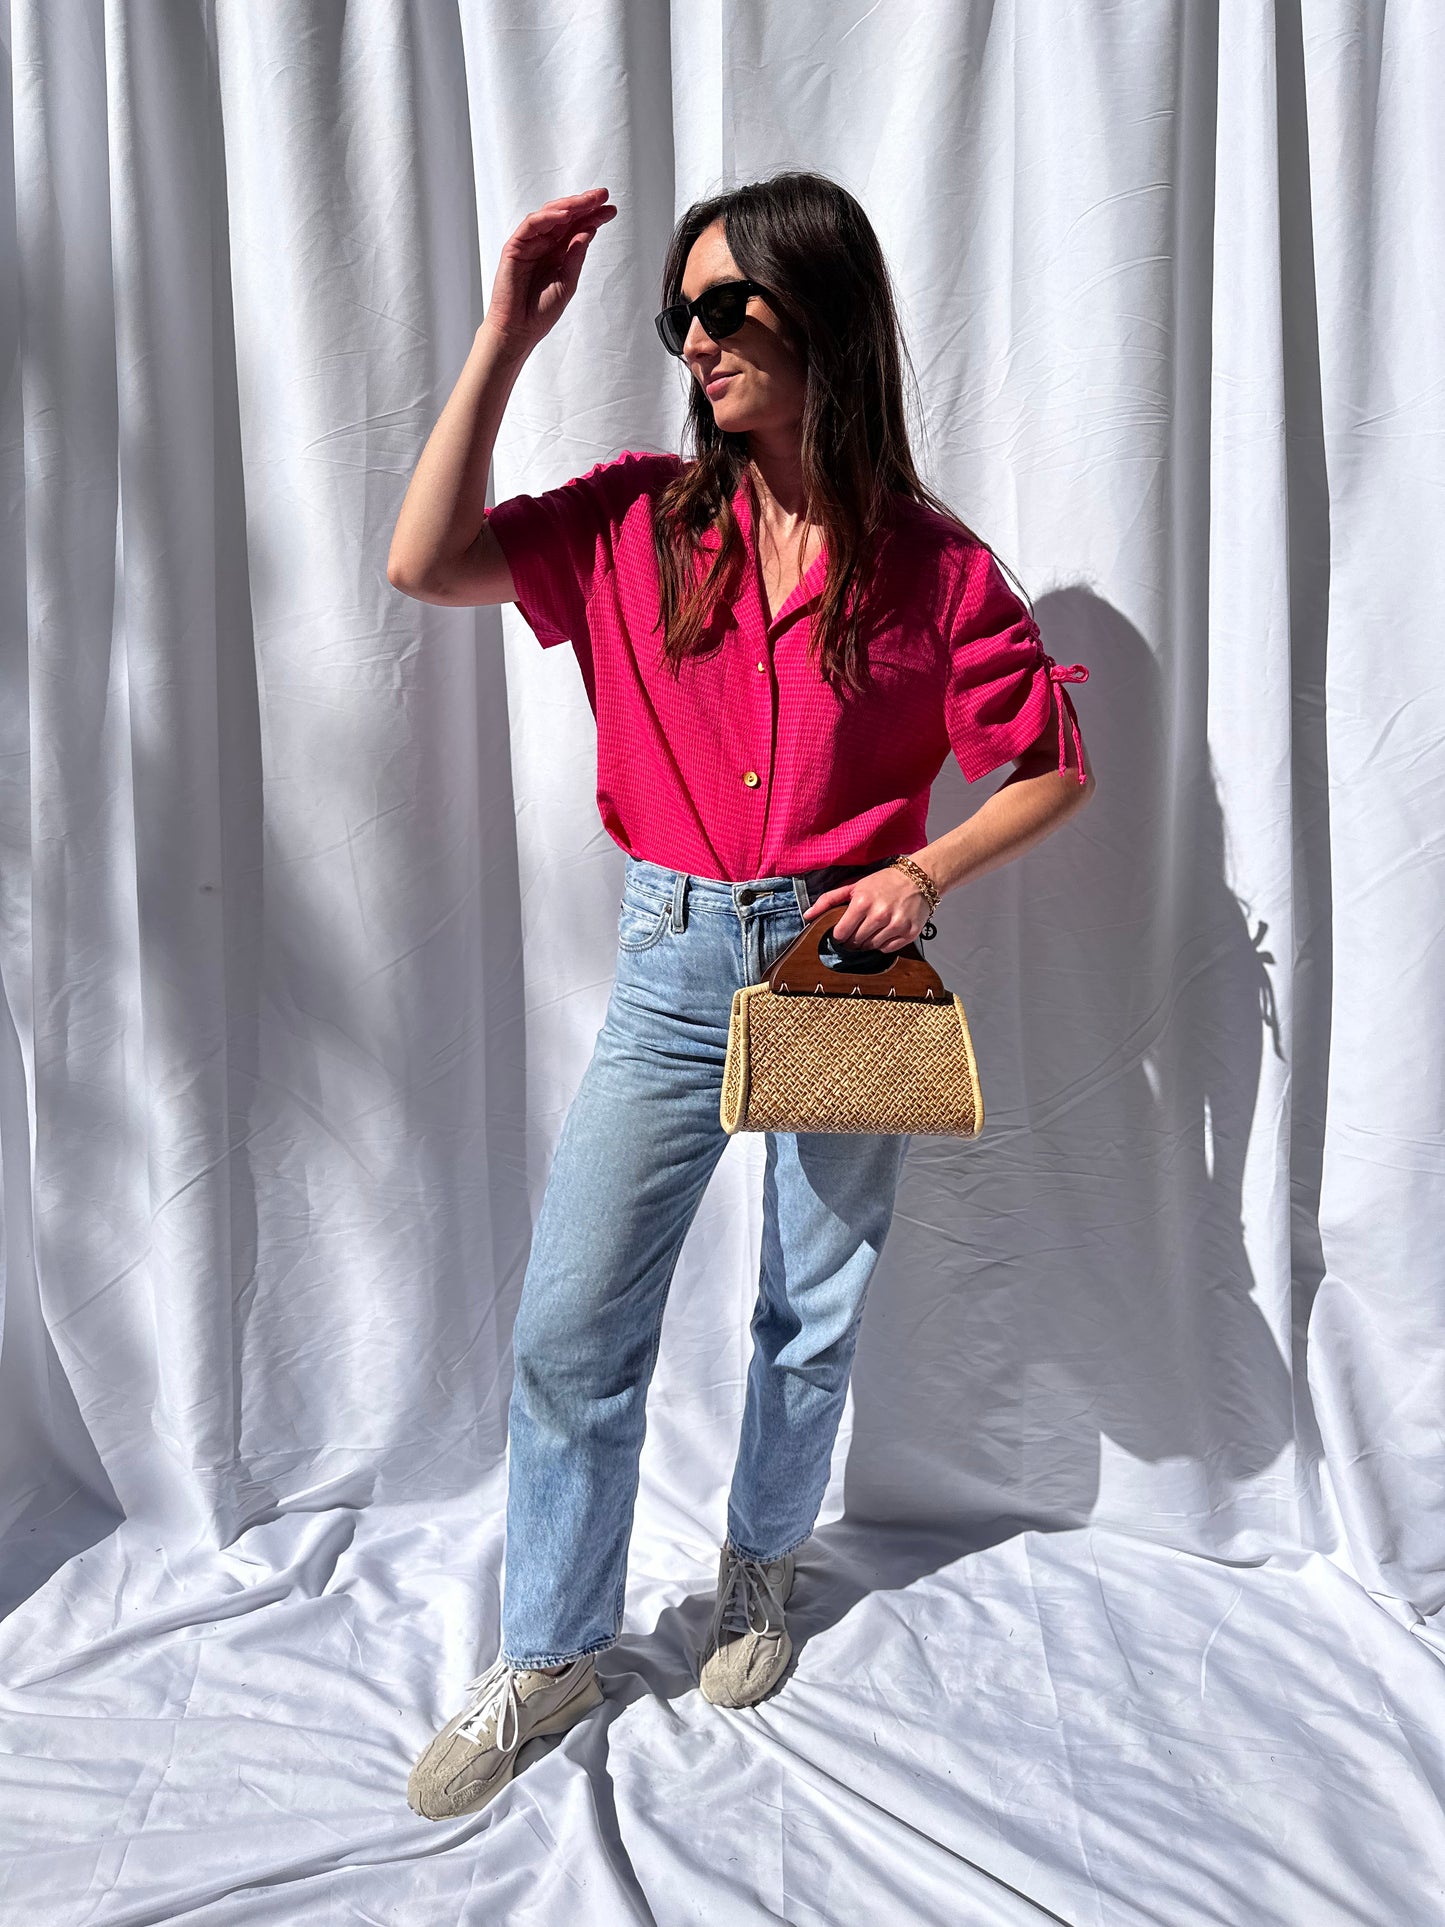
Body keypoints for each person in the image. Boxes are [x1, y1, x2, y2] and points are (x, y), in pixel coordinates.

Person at [387, 170, 1094, 1822]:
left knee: (809, 1304)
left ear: (820, 316)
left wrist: (925, 870)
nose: (694, 343)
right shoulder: (640, 522)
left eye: (727, 309)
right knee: (575, 1319)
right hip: (668, 958)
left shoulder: (928, 564)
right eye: (678, 316)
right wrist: (505, 336)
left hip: (845, 962)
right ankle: (551, 1650)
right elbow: (424, 564)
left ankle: (763, 1565)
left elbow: (1049, 764)